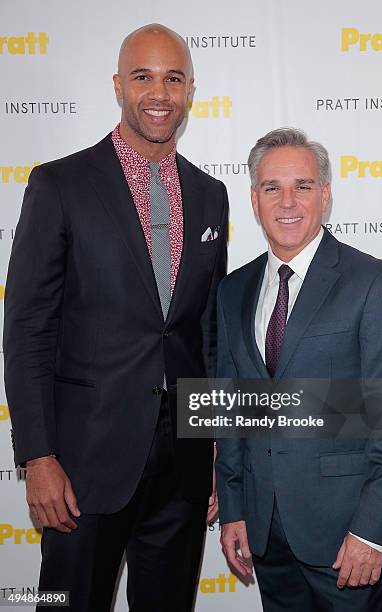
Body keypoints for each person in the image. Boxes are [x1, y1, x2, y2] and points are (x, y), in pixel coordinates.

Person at [4, 23, 228, 612]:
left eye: (173, 78)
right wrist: (38, 456)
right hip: (80, 464)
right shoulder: (59, 184)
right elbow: (27, 328)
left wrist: (214, 451)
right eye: (144, 77)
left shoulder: (211, 196)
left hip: (181, 468)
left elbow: (204, 333)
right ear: (118, 86)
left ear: (190, 90)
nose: (159, 92)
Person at [215, 128, 382, 611]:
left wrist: (373, 533)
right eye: (272, 188)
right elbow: (232, 411)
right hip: (266, 535)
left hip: (346, 538)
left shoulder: (376, 282)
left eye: (303, 186)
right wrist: (233, 509)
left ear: (325, 195)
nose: (288, 202)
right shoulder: (233, 290)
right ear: (254, 198)